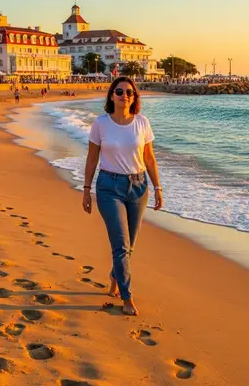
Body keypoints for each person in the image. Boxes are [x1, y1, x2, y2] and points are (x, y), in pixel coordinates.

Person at [82, 76, 163, 316]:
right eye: (119, 91)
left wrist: (158, 188)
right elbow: (92, 158)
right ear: (111, 96)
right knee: (120, 245)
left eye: (129, 92)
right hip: (109, 186)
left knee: (130, 247)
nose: (124, 95)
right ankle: (127, 298)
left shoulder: (142, 123)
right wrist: (86, 190)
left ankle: (115, 274)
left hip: (138, 187)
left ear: (134, 97)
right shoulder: (100, 124)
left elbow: (149, 158)